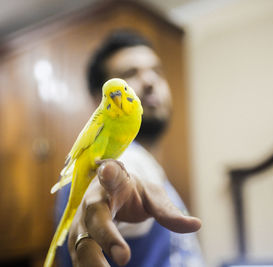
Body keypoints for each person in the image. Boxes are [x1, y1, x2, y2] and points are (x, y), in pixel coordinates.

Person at [56, 30, 203, 267]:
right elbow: (121, 180)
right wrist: (109, 193)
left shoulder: (153, 169)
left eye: (156, 71)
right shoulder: (111, 158)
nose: (149, 81)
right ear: (100, 101)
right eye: (129, 75)